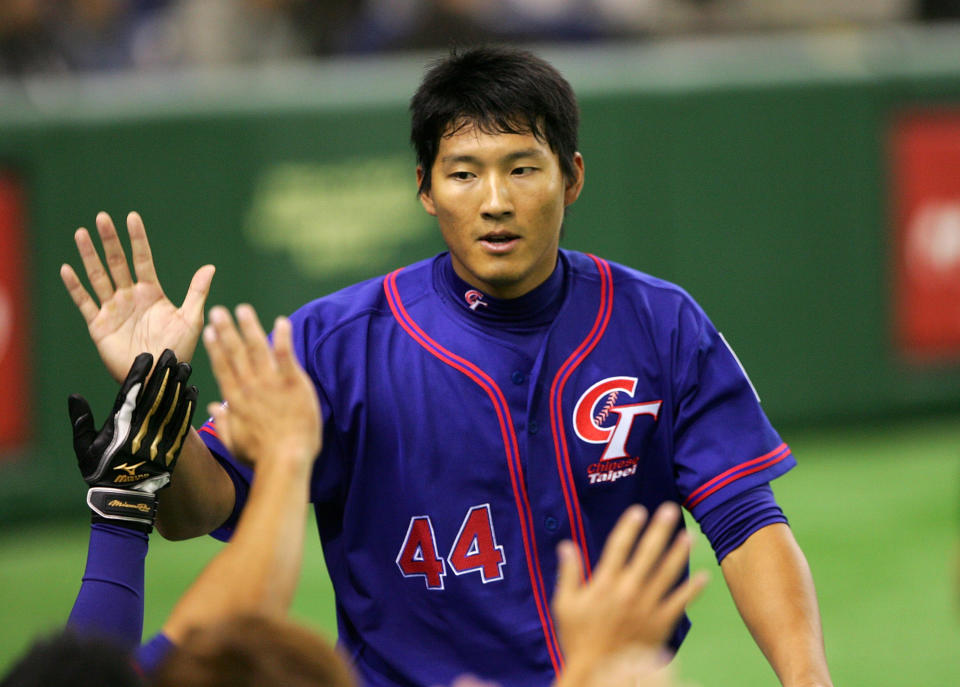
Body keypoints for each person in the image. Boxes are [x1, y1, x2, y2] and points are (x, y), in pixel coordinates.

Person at [60, 46, 833, 687]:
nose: (495, 199)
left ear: (573, 177)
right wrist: (152, 398)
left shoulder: (660, 322)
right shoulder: (335, 342)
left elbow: (745, 518)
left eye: (522, 168)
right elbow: (196, 511)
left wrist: (807, 680)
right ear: (425, 189)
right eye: (464, 172)